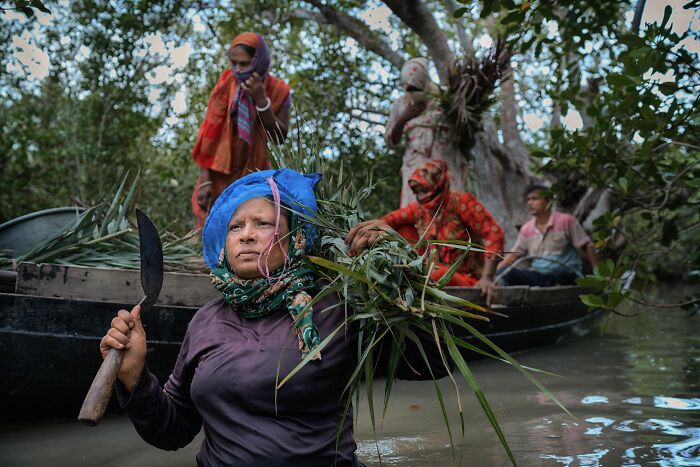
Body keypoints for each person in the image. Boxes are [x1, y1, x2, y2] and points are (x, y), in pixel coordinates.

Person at [101, 169, 449, 466]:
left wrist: (403, 271)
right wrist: (135, 378)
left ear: (295, 238)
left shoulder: (336, 309)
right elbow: (173, 431)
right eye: (236, 227)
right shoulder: (206, 321)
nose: (247, 234)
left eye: (263, 223)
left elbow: (435, 361)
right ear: (224, 246)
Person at [347, 160, 504, 305]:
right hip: (428, 271)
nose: (421, 196)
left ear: (438, 184)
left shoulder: (461, 201)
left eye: (425, 189)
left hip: (464, 278)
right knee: (397, 230)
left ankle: (412, 286)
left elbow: (494, 233)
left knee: (438, 274)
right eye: (417, 191)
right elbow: (390, 220)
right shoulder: (419, 209)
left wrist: (487, 278)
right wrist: (367, 232)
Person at [191, 32, 292, 228]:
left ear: (259, 61)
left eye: (244, 64)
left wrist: (261, 101)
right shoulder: (226, 83)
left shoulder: (279, 91)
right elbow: (209, 133)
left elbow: (279, 137)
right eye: (234, 63)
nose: (238, 70)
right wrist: (205, 181)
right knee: (211, 228)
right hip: (219, 173)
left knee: (247, 227)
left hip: (254, 174)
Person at [385, 57, 470, 207]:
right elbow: (391, 141)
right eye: (407, 87)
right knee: (417, 208)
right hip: (415, 163)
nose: (410, 91)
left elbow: (465, 126)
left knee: (449, 207)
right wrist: (404, 118)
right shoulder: (400, 104)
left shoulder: (443, 95)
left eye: (414, 88)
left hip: (445, 160)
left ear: (424, 81)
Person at [497, 184, 599, 286]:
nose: (530, 203)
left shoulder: (566, 221)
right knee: (507, 273)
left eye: (534, 199)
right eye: (528, 199)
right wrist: (493, 274)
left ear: (548, 201)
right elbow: (513, 255)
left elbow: (587, 245)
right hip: (539, 276)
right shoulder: (526, 229)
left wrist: (598, 274)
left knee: (559, 273)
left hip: (566, 274)